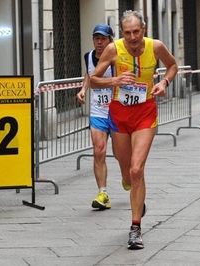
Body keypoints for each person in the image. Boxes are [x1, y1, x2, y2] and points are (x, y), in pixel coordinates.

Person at [90, 10, 178, 250]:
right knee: (128, 176)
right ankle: (135, 195)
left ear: (144, 30)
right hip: (119, 116)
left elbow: (172, 65)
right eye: (127, 32)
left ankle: (135, 227)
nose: (132, 37)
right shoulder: (112, 49)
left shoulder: (155, 46)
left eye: (136, 31)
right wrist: (114, 81)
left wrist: (164, 82)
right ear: (122, 33)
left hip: (145, 114)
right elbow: (93, 80)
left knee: (137, 169)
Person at [76, 24, 114, 210]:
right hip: (98, 111)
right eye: (96, 38)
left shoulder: (117, 57)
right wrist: (83, 89)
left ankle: (128, 178)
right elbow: (89, 75)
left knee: (126, 156)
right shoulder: (88, 56)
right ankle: (103, 193)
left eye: (103, 38)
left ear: (110, 40)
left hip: (117, 111)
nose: (99, 42)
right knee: (99, 151)